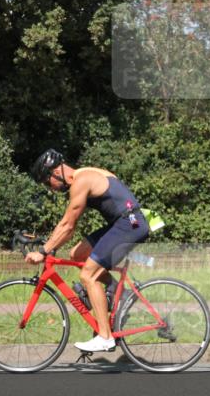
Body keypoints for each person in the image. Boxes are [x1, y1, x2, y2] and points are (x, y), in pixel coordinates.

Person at [25, 148, 150, 352]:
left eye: (48, 182)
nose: (51, 188)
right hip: (125, 222)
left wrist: (44, 251)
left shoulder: (81, 181)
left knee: (88, 276)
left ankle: (105, 337)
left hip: (130, 224)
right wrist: (51, 243)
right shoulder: (87, 172)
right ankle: (121, 294)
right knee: (77, 255)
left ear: (56, 172)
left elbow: (68, 225)